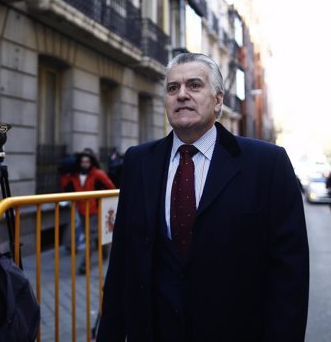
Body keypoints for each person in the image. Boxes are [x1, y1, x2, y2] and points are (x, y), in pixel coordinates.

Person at [97, 53, 309, 341]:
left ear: (218, 100)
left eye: (194, 85)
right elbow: (123, 259)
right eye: (173, 88)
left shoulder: (267, 164)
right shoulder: (138, 162)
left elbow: (290, 272)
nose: (182, 94)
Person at [61, 148, 116, 274]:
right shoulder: (74, 175)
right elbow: (66, 189)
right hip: (81, 211)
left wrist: (100, 197)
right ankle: (105, 252)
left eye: (87, 161)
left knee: (89, 239)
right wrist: (65, 174)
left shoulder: (97, 174)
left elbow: (111, 187)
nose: (84, 164)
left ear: (91, 162)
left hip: (95, 211)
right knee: (94, 236)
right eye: (82, 162)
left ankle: (84, 266)